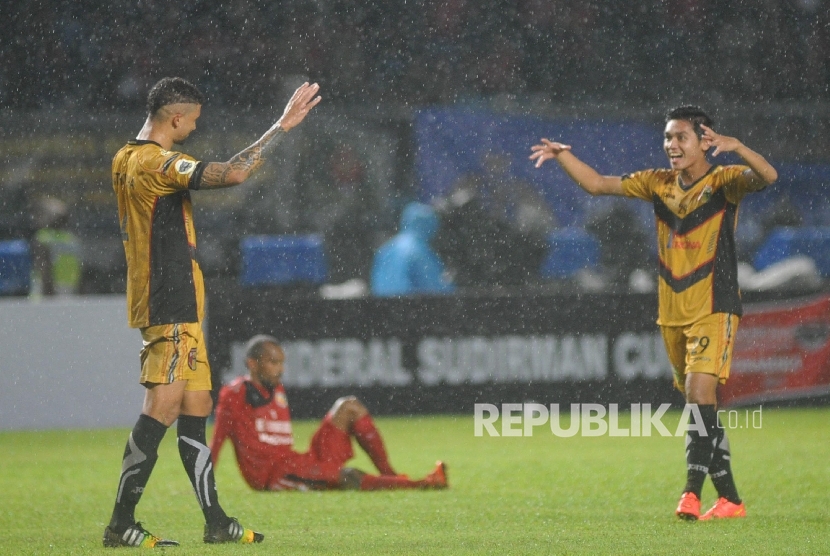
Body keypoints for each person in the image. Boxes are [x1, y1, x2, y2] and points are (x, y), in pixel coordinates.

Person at [530, 106, 778, 521]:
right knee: (702, 407)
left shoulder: (724, 181)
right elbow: (596, 184)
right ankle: (731, 500)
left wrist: (737, 148)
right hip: (672, 311)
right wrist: (562, 156)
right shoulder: (657, 183)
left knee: (701, 394)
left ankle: (690, 494)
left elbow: (768, 177)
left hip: (714, 306)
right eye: (667, 137)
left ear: (705, 140)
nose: (671, 145)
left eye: (680, 137)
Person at [105, 77, 321, 548]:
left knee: (195, 407)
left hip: (180, 297)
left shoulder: (123, 156)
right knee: (160, 409)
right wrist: (281, 127)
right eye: (193, 120)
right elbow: (233, 173)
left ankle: (216, 520)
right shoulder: (153, 161)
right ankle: (120, 522)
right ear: (174, 117)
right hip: (170, 301)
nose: (195, 128)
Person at [211, 334, 448, 492]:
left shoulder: (277, 388)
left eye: (281, 362)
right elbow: (218, 438)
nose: (280, 369)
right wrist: (204, 482)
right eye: (273, 362)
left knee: (350, 406)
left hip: (296, 460)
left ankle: (392, 476)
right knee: (348, 476)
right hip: (275, 476)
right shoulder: (235, 393)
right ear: (252, 363)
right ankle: (421, 484)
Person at [370, 202, 455, 296]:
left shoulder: (386, 250)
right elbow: (437, 290)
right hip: (411, 308)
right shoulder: (421, 252)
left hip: (382, 308)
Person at [29, 197, 81, 296]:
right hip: (69, 292)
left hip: (47, 294)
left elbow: (44, 269)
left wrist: (49, 294)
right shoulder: (72, 241)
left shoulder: (43, 238)